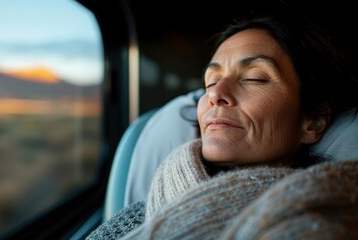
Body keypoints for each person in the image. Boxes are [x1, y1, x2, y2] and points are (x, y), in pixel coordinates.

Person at [86, 8, 358, 240]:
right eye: (211, 82)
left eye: (255, 78)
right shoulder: (138, 215)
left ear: (312, 122)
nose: (215, 94)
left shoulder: (328, 218)